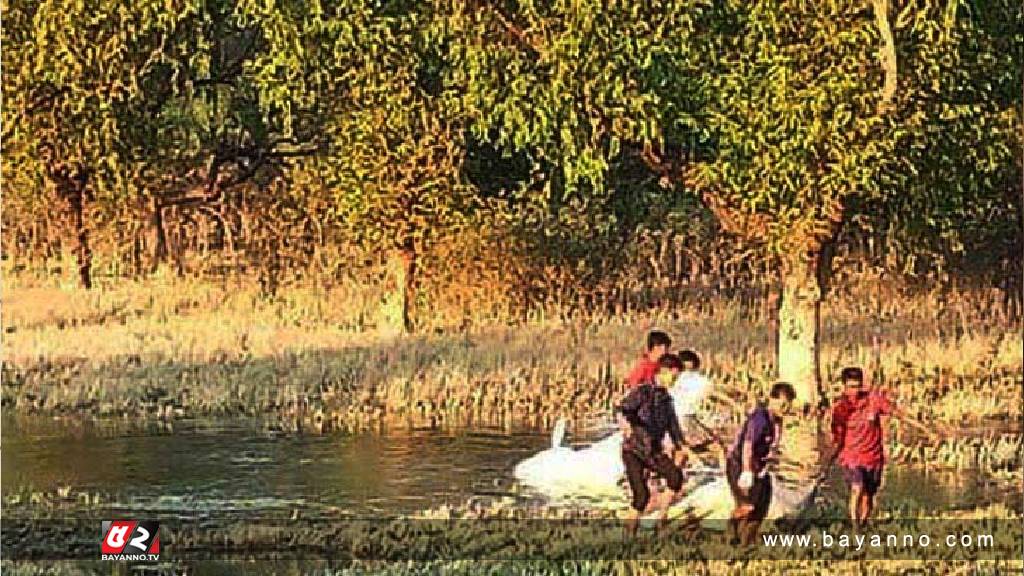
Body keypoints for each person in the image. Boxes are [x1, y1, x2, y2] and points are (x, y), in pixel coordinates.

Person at [827, 366, 936, 529]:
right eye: (850, 387)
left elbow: (900, 415)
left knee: (868, 496)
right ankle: (855, 529)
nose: (854, 391)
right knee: (857, 488)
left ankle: (863, 524)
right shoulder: (840, 409)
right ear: (843, 387)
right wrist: (829, 458)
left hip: (873, 458)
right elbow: (837, 437)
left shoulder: (874, 400)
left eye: (857, 386)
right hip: (852, 457)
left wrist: (925, 429)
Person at [616, 369, 686, 535]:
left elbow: (674, 428)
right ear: (663, 372)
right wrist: (625, 424)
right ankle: (629, 534)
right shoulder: (643, 392)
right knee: (641, 495)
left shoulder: (667, 401)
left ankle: (661, 519)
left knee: (675, 477)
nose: (674, 381)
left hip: (653, 451)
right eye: (673, 377)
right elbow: (622, 409)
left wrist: (682, 446)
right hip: (634, 450)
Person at [725, 381, 796, 545]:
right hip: (741, 464)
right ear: (772, 399)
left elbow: (773, 445)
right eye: (782, 404)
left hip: (760, 467)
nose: (785, 408)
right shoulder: (759, 418)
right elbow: (748, 446)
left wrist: (772, 459)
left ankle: (746, 542)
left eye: (788, 405)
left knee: (762, 506)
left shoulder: (777, 421)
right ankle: (732, 524)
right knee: (748, 505)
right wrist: (746, 470)